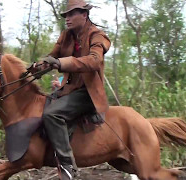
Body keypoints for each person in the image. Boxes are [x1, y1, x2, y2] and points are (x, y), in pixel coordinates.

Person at [34, 0, 111, 179]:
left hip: (87, 93)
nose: (67, 18)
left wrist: (61, 63)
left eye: (71, 14)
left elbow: (94, 61)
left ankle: (68, 166)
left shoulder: (98, 36)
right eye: (66, 15)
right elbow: (51, 58)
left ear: (84, 15)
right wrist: (34, 69)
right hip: (68, 89)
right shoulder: (66, 36)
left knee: (52, 114)